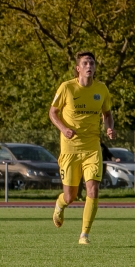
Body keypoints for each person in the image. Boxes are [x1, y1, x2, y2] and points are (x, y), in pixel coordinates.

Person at [49, 51, 115, 245]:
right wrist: (63, 129)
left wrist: (109, 127)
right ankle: (60, 204)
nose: (89, 66)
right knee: (70, 196)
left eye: (92, 63)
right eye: (85, 63)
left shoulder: (101, 89)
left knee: (93, 189)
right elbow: (52, 112)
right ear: (78, 68)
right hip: (70, 149)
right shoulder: (67, 87)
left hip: (92, 147)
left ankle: (84, 235)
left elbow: (107, 114)